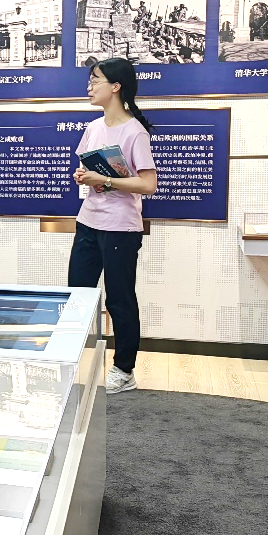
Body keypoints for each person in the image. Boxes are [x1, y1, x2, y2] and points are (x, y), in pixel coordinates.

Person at [69, 57, 158, 395]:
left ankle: (124, 369)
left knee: (119, 299)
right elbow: (85, 169)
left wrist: (105, 180)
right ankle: (73, 360)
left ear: (116, 86)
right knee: (77, 294)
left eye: (96, 80)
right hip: (88, 222)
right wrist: (84, 176)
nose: (89, 87)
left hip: (121, 228)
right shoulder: (93, 128)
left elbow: (148, 184)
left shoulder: (135, 131)